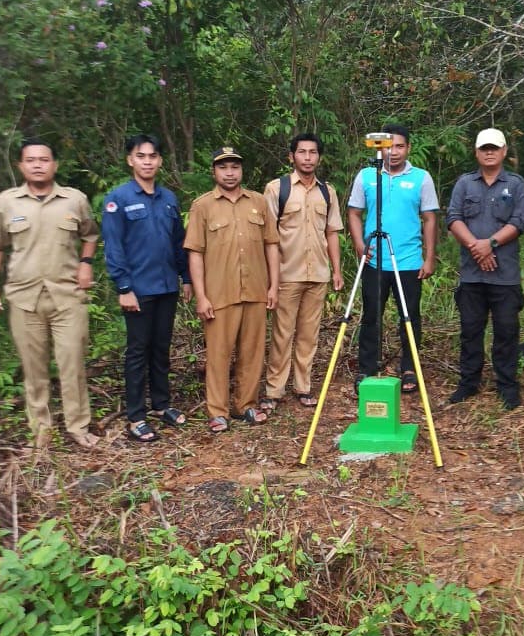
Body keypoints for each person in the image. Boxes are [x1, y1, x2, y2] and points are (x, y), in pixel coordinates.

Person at [0, 137, 99, 450]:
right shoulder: (7, 202)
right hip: (24, 297)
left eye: (44, 159)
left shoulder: (74, 200)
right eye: (31, 160)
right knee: (33, 368)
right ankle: (41, 429)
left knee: (72, 363)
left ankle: (78, 426)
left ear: (55, 164)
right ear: (21, 165)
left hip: (68, 296)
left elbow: (90, 235)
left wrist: (86, 264)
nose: (38, 165)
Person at [102, 133, 192, 444]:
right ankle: (136, 415)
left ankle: (162, 405)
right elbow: (113, 247)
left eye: (153, 156)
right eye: (141, 156)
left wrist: (187, 278)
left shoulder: (168, 199)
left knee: (160, 349)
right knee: (138, 352)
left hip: (166, 286)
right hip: (138, 289)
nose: (147, 162)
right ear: (130, 160)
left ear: (160, 161)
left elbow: (179, 243)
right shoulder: (119, 199)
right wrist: (123, 286)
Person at [183, 146, 280, 432]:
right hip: (219, 294)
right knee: (218, 354)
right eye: (223, 167)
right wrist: (201, 296)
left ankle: (246, 405)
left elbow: (271, 245)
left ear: (241, 170)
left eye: (234, 167)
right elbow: (195, 253)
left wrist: (273, 285)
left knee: (251, 352)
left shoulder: (259, 202)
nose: (229, 172)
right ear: (214, 171)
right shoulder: (202, 206)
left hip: (255, 290)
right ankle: (218, 411)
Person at [346, 122, 438, 392]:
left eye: (400, 146)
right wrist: (359, 246)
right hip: (375, 261)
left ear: (408, 148)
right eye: (389, 146)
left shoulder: (422, 178)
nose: (394, 152)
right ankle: (367, 368)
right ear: (380, 148)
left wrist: (429, 258)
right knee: (371, 315)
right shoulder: (367, 176)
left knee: (409, 316)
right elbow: (353, 212)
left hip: (408, 261)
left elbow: (430, 218)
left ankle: (409, 368)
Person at [445, 129, 524, 409]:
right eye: (484, 148)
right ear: (476, 152)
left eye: (495, 148)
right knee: (471, 330)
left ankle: (506, 385)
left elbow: (519, 222)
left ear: (504, 151)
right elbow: (454, 218)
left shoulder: (515, 184)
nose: (489, 152)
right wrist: (477, 248)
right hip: (472, 274)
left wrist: (490, 244)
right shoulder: (465, 184)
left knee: (506, 330)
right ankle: (468, 383)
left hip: (504, 275)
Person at [261, 132, 345, 411]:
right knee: (282, 334)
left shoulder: (327, 191)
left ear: (319, 157)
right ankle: (274, 390)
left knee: (309, 334)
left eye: (312, 152)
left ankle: (303, 386)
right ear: (291, 156)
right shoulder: (276, 189)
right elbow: (269, 236)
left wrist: (336, 270)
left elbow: (332, 232)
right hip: (287, 273)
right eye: (302, 152)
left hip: (318, 274)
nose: (307, 158)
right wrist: (271, 279)